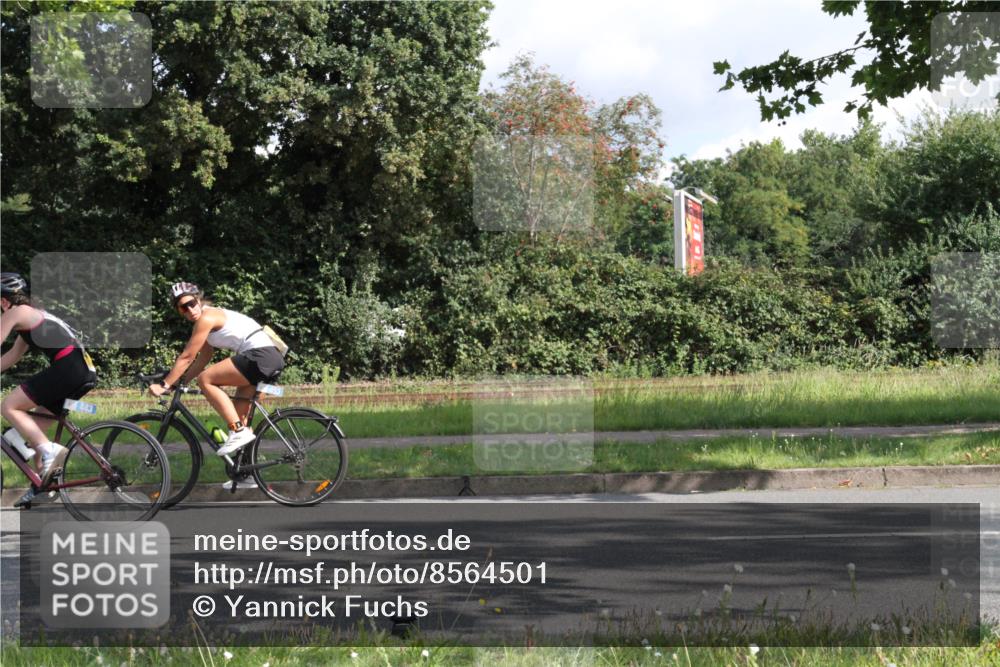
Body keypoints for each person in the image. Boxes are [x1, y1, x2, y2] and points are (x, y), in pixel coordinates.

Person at [150, 282, 284, 459]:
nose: (190, 310)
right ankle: (246, 472)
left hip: (260, 356)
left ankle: (238, 431)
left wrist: (164, 384)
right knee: (238, 417)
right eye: (183, 308)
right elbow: (202, 358)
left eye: (191, 303)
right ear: (179, 311)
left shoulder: (207, 318)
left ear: (198, 300)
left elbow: (187, 357)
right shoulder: (205, 322)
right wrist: (180, 383)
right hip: (266, 357)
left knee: (206, 380)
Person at [0, 272, 98, 507]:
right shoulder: (30, 316)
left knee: (8, 406)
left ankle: (49, 451)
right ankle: (43, 486)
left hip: (69, 367)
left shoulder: (16, 313)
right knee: (31, 434)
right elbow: (12, 356)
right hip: (83, 370)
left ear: (4, 300)